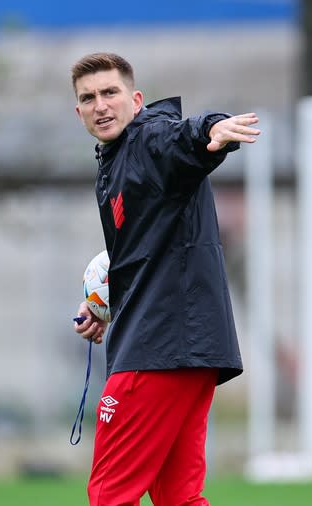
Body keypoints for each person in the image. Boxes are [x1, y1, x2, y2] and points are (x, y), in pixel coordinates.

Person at [69, 52, 259, 505]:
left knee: (109, 495)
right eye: (88, 98)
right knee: (179, 498)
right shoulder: (115, 162)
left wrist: (212, 129)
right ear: (79, 112)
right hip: (189, 351)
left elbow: (181, 136)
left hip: (157, 350)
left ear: (136, 100)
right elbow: (143, 253)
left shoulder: (147, 140)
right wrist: (103, 304)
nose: (101, 105)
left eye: (110, 92)